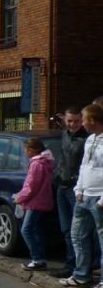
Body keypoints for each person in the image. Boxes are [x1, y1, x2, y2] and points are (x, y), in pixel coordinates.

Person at [61, 104, 103, 288]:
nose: (82, 123)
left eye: (84, 119)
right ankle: (81, 275)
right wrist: (79, 189)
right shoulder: (90, 140)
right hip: (83, 196)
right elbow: (84, 166)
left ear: (92, 120)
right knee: (77, 235)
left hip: (99, 199)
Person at [51, 106, 95, 278]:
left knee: (79, 231)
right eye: (70, 121)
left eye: (77, 121)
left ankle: (82, 266)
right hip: (61, 186)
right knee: (66, 229)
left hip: (76, 188)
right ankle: (71, 264)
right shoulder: (64, 134)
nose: (73, 124)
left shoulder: (87, 139)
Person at [12, 138, 55, 271]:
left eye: (26, 149)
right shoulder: (44, 162)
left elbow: (31, 186)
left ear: (32, 150)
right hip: (41, 201)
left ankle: (37, 259)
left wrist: (20, 197)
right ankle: (40, 258)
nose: (25, 152)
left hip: (35, 202)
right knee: (36, 229)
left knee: (26, 229)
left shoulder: (36, 164)